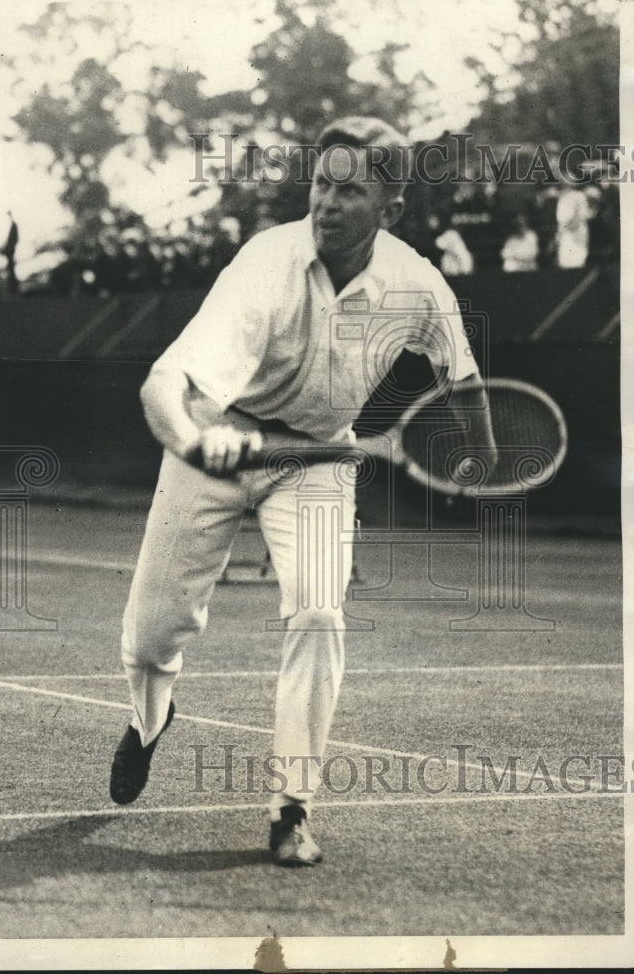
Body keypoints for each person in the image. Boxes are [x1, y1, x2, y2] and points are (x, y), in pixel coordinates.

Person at [109, 116, 496, 866]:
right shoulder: (266, 263)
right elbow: (166, 384)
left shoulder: (416, 283)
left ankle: (292, 807)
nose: (328, 203)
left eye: (351, 191)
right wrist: (196, 441)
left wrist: (484, 462)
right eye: (323, 184)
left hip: (320, 460)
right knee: (154, 635)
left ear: (389, 211)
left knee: (320, 610)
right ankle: (149, 718)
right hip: (218, 437)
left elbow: (465, 378)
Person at [0, 210, 19, 294]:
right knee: (10, 268)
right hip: (9, 250)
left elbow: (15, 239)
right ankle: (12, 289)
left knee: (10, 269)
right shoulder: (12, 226)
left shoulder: (13, 225)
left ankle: (13, 289)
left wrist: (10, 248)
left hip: (10, 250)